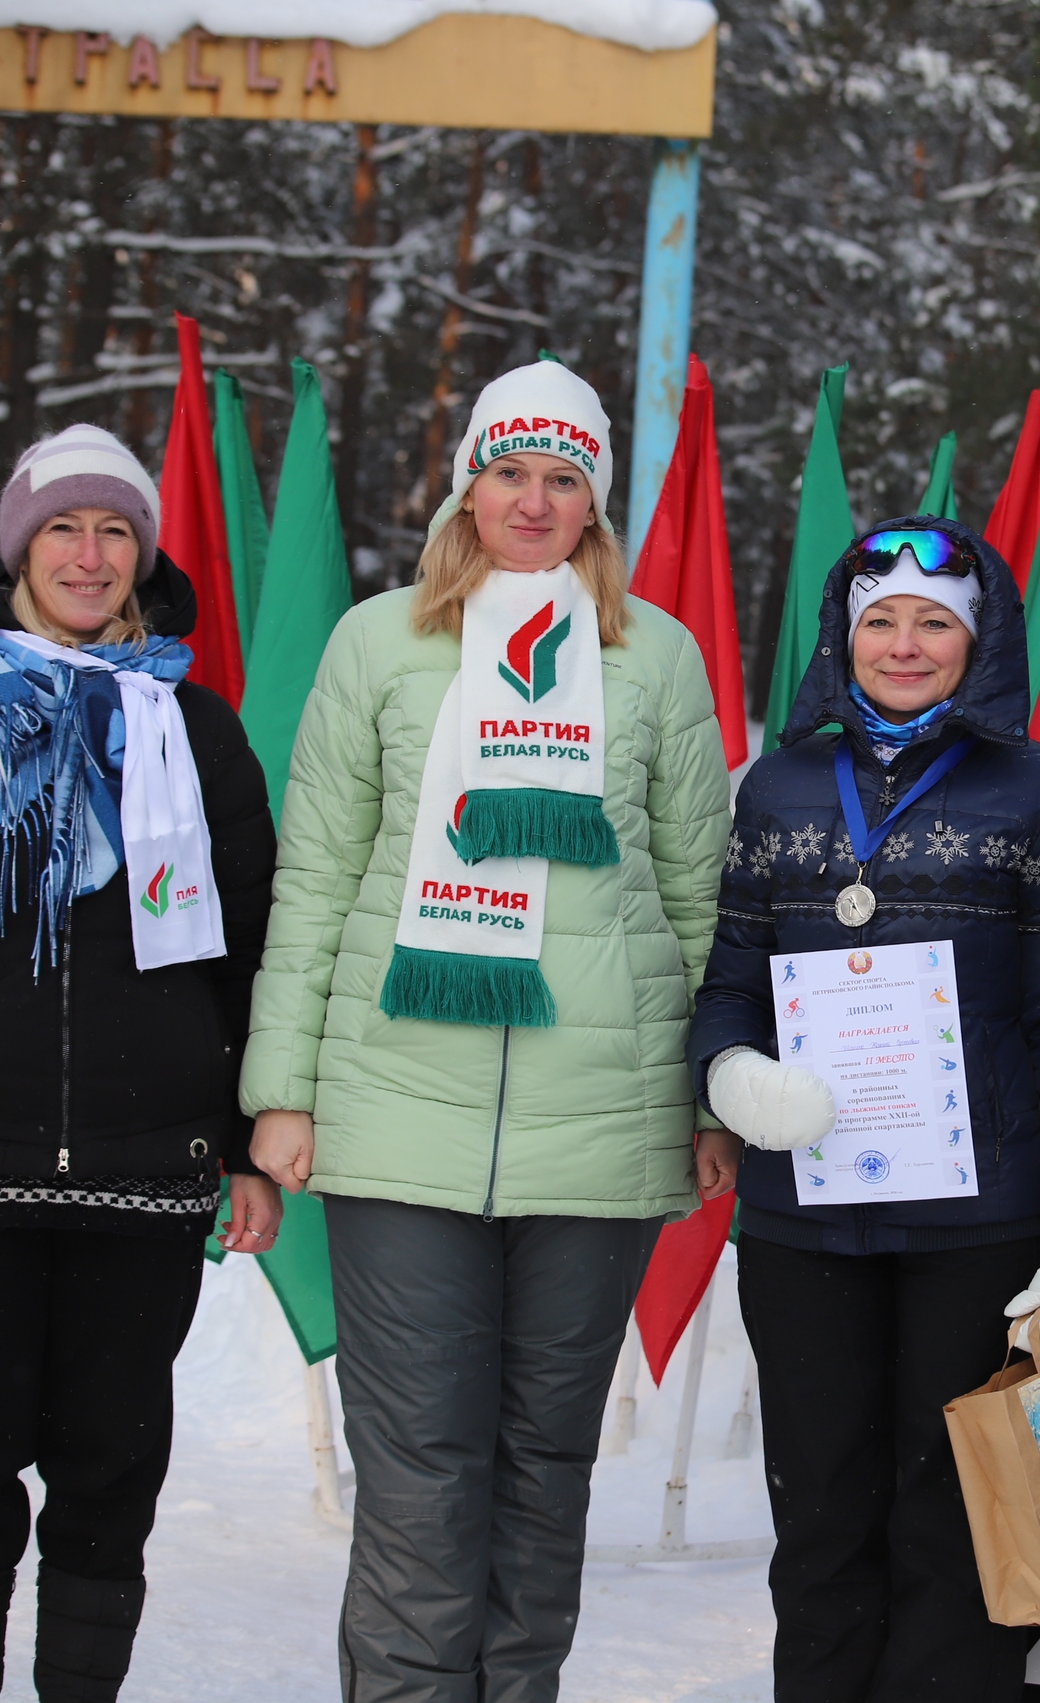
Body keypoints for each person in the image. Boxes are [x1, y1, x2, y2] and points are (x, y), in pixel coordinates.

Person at [240, 358, 737, 1703]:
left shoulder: (656, 655)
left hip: (603, 1124)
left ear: (595, 501)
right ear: (467, 485)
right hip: (397, 1115)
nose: (532, 500)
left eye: (562, 477)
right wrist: (282, 1087)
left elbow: (700, 894)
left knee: (543, 1468)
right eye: (508, 471)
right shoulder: (378, 642)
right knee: (419, 1466)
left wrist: (704, 1100)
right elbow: (315, 875)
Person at [0, 422, 280, 1703]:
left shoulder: (196, 727)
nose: (89, 554)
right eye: (64, 528)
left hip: (149, 1165)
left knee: (109, 1477)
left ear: (143, 554)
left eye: (115, 528)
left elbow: (253, 951)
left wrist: (247, 1140)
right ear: (21, 549)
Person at [689, 516, 1040, 1703]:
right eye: (880, 618)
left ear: (979, 643)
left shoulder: (1037, 789)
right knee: (821, 1514)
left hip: (978, 1224)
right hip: (803, 1222)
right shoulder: (777, 784)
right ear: (844, 636)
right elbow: (728, 980)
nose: (905, 643)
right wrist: (728, 1070)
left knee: (955, 1519)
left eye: (935, 621)